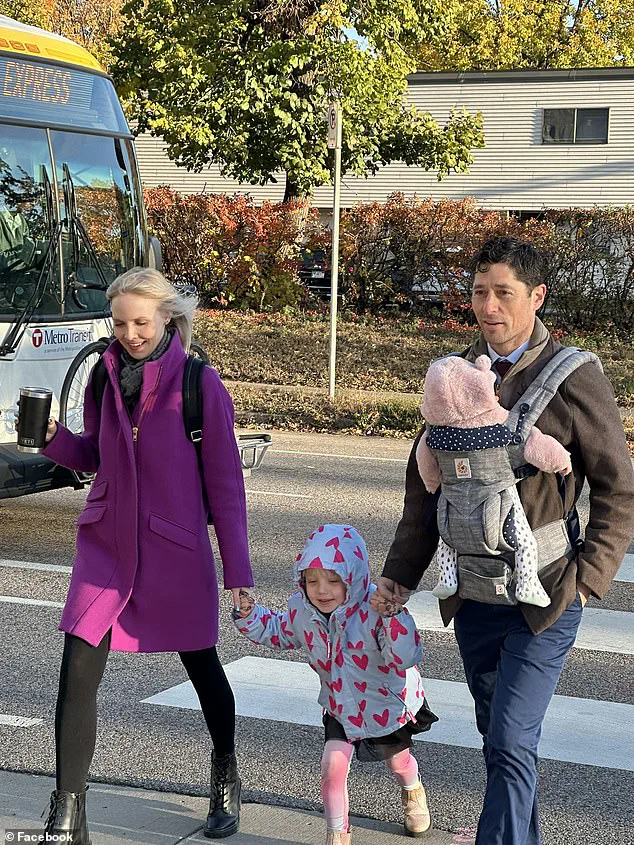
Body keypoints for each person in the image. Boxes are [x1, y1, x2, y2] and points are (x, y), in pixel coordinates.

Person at [373, 236, 634, 845]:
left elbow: (619, 488)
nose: (488, 306)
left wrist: (590, 579)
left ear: (535, 297)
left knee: (513, 739)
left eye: (503, 293)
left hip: (546, 595)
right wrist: (399, 576)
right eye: (478, 292)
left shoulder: (574, 375)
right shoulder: (455, 374)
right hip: (474, 595)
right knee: (501, 737)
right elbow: (425, 487)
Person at [38, 268, 254, 842]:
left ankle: (225, 773)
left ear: (166, 318)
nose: (130, 333)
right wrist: (50, 438)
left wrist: (239, 570)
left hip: (172, 548)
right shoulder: (102, 376)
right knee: (77, 668)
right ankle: (67, 813)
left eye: (141, 321)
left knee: (202, 664)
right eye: (120, 322)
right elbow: (94, 454)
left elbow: (226, 485)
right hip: (106, 547)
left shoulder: (200, 383)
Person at [234, 523, 438, 845]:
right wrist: (248, 615)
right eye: (312, 581)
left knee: (398, 762)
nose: (322, 590)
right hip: (340, 704)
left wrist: (393, 617)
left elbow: (405, 656)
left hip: (385, 704)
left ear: (352, 580)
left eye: (333, 580)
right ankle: (336, 835)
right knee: (332, 765)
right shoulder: (302, 610)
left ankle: (412, 789)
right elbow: (277, 630)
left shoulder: (377, 608)